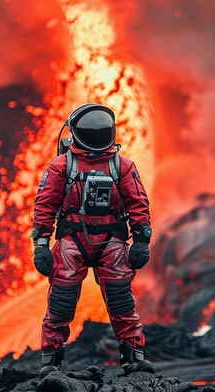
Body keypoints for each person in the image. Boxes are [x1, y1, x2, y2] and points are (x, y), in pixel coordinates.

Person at [30, 103, 154, 376]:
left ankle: (131, 359)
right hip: (84, 240)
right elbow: (46, 205)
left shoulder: (115, 166)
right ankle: (52, 363)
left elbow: (137, 204)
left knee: (121, 303)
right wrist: (40, 244)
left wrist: (142, 239)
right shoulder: (74, 165)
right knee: (62, 303)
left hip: (99, 241)